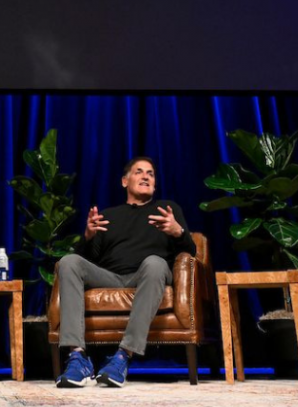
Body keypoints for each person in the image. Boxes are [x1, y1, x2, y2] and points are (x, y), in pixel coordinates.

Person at [56, 157, 196, 388]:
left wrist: (178, 232)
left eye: (150, 173)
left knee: (155, 263)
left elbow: (190, 254)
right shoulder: (108, 216)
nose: (146, 176)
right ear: (124, 181)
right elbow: (88, 260)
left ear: (155, 184)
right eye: (139, 172)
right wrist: (88, 237)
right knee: (69, 261)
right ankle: (78, 357)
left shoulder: (167, 210)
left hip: (148, 275)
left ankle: (123, 356)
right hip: (110, 277)